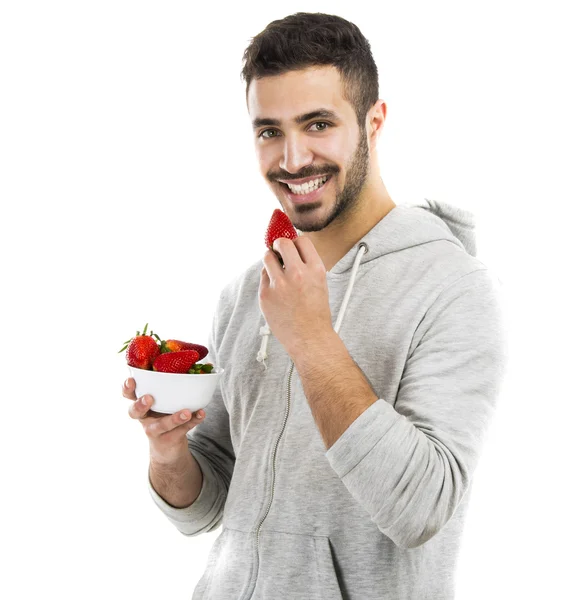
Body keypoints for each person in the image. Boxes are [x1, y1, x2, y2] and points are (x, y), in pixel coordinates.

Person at [122, 11, 508, 600]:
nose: (293, 159)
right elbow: (208, 507)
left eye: (318, 123)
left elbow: (421, 509)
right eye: (269, 131)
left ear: (374, 122)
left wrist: (312, 339)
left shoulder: (452, 286)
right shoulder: (249, 289)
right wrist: (169, 450)